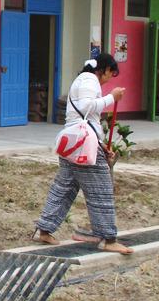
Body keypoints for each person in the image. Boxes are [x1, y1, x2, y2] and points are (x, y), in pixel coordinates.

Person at [31, 55, 133, 255]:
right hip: (84, 146)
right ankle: (107, 238)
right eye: (110, 74)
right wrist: (112, 98)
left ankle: (43, 229)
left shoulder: (84, 80)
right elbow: (87, 107)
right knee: (101, 190)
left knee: (63, 190)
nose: (109, 79)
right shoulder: (88, 80)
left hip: (74, 144)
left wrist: (102, 146)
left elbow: (86, 119)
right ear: (103, 69)